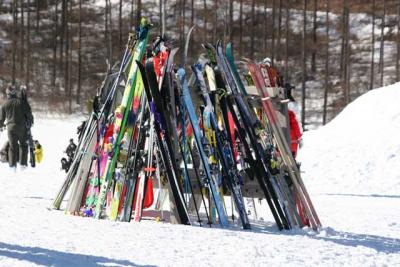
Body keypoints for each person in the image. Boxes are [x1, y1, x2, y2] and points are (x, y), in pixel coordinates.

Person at [0, 84, 34, 170]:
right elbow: (29, 113)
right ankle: (22, 165)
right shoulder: (21, 102)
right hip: (22, 128)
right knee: (23, 145)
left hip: (10, 128)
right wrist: (30, 122)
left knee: (12, 147)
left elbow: (1, 119)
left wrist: (1, 125)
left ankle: (12, 166)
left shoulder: (4, 104)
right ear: (15, 92)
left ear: (8, 93)